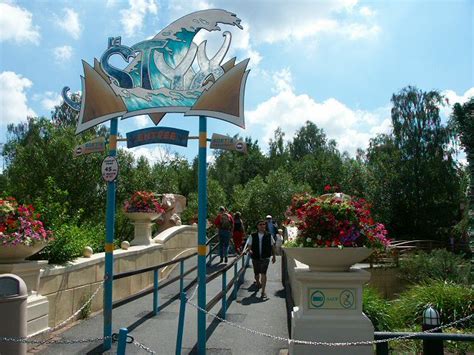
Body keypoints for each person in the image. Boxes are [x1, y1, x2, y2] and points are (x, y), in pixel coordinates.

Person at [243, 220, 276, 299]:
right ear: (257, 226)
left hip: (265, 257)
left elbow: (272, 246)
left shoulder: (269, 235)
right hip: (255, 256)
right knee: (256, 274)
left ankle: (263, 291)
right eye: (260, 224)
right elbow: (249, 245)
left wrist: (274, 256)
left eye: (263, 224)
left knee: (263, 273)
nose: (262, 226)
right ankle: (257, 282)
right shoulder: (253, 235)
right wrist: (249, 250)